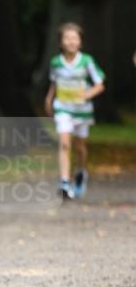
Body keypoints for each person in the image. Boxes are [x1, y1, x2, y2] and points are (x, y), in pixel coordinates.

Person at [44, 22, 105, 200]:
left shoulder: (87, 61)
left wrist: (86, 94)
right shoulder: (56, 62)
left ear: (80, 42)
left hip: (82, 111)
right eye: (67, 38)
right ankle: (64, 181)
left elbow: (100, 85)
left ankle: (80, 172)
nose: (71, 42)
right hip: (63, 108)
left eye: (74, 38)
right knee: (64, 143)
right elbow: (54, 83)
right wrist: (49, 99)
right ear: (61, 42)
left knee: (80, 147)